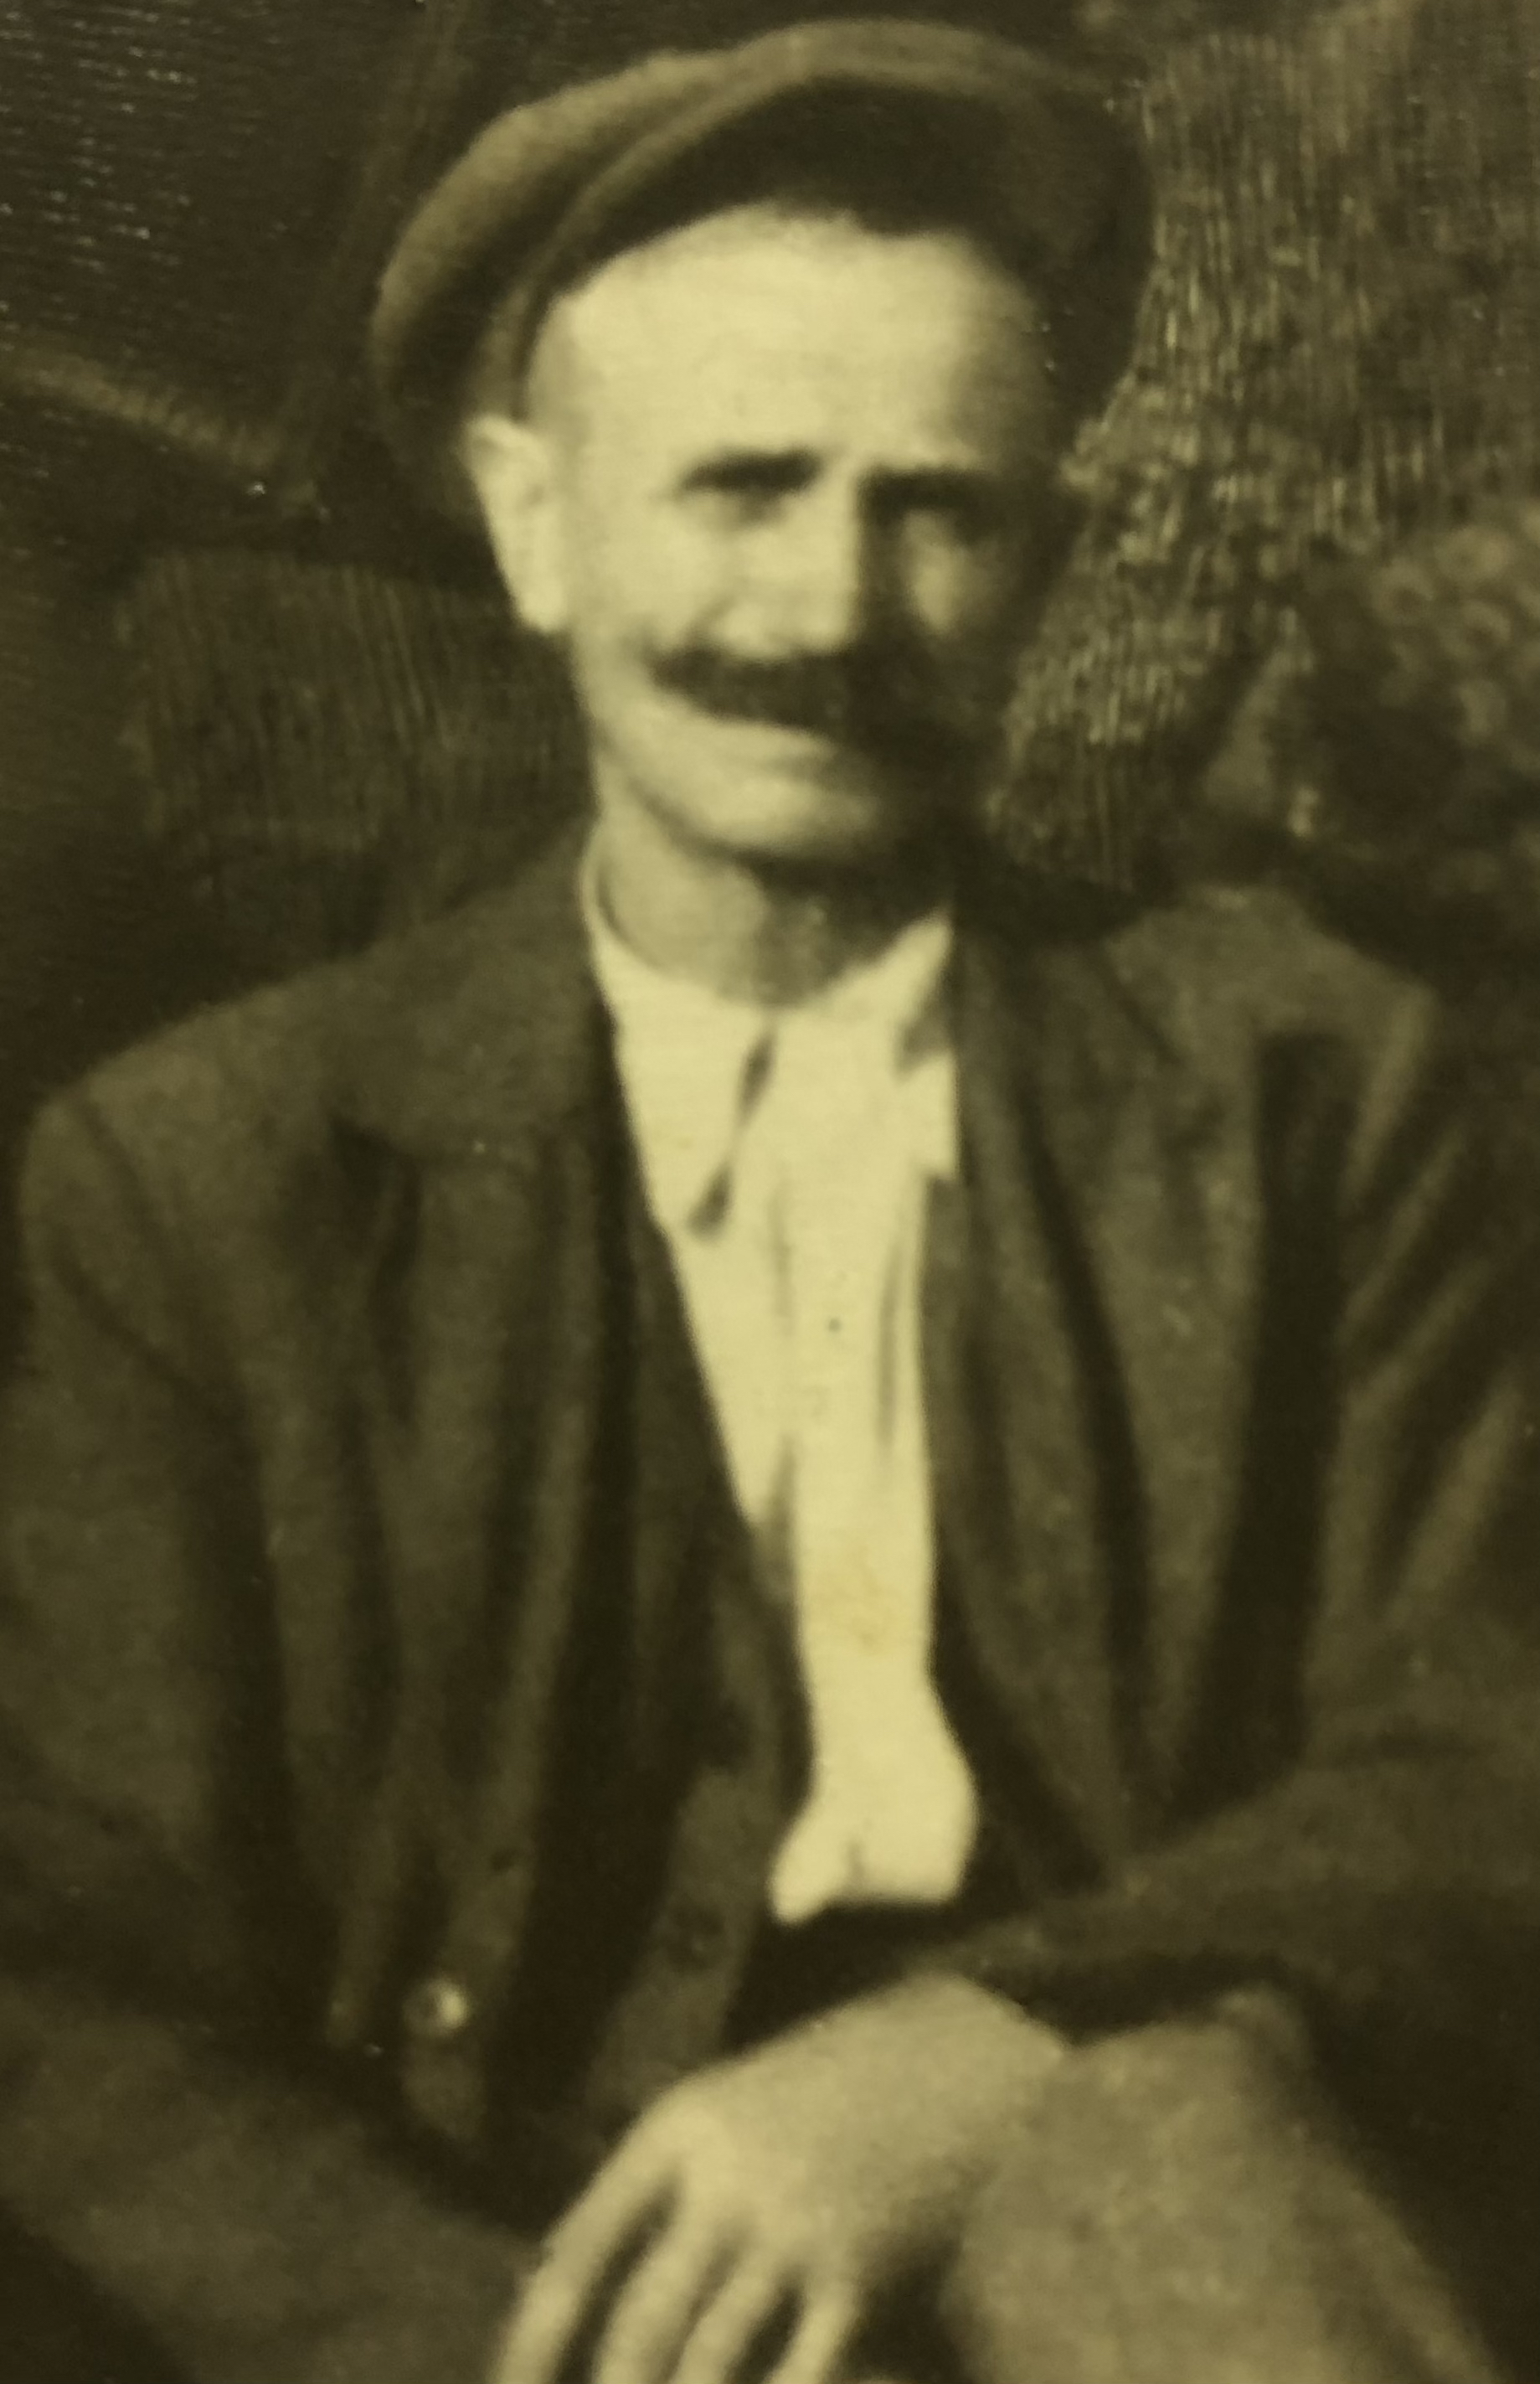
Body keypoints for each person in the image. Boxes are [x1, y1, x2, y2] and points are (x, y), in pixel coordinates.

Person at [0, 19, 1537, 2384]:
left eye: (939, 511)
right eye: (740, 487)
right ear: (533, 525)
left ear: (1053, 566)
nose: (829, 611)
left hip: (1171, 2225)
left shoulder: (1316, 1090)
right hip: (494, 2289)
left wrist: (1000, 2047)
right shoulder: (205, 1179)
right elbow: (75, 1994)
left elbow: (1488, 1756)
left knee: (1163, 2150)